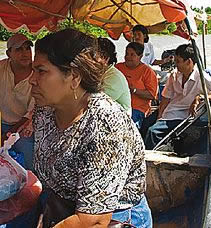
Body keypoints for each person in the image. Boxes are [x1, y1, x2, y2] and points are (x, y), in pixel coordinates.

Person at [29, 29, 152, 228]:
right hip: (64, 206)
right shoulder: (45, 110)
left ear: (74, 77)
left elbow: (93, 221)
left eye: (41, 71)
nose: (31, 79)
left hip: (114, 218)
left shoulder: (105, 125)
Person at [145, 43, 211, 149]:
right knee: (148, 128)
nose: (176, 64)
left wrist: (200, 97)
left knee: (153, 132)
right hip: (172, 113)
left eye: (178, 61)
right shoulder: (174, 75)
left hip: (189, 117)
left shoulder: (201, 77)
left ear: (189, 62)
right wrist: (159, 117)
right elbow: (166, 97)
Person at [0, 33, 34, 170]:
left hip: (24, 127)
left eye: (27, 48)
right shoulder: (2, 67)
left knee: (28, 162)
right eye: (19, 49)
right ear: (9, 53)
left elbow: (31, 113)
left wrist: (6, 136)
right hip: (1, 122)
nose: (25, 53)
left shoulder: (37, 74)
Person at [116, 42, 158, 129]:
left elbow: (152, 95)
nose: (128, 57)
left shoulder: (147, 71)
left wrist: (134, 90)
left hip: (137, 109)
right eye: (127, 54)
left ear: (140, 56)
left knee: (127, 126)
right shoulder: (118, 68)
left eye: (132, 55)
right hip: (117, 106)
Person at [98, 37, 131, 115]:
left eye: (91, 56)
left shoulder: (114, 77)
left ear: (105, 58)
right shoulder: (101, 73)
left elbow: (97, 104)